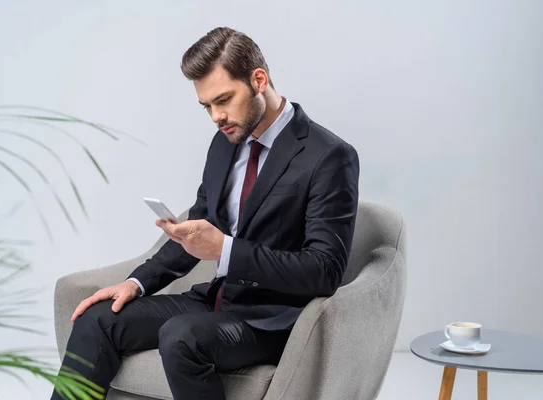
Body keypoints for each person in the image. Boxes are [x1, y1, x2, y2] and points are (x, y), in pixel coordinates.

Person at [52, 26, 360, 400]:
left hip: (274, 319)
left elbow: (324, 271)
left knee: (182, 336)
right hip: (217, 300)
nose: (216, 116)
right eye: (207, 106)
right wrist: (136, 283)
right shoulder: (224, 142)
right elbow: (200, 225)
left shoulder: (328, 156)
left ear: (258, 80)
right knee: (98, 318)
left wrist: (226, 250)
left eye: (224, 100)